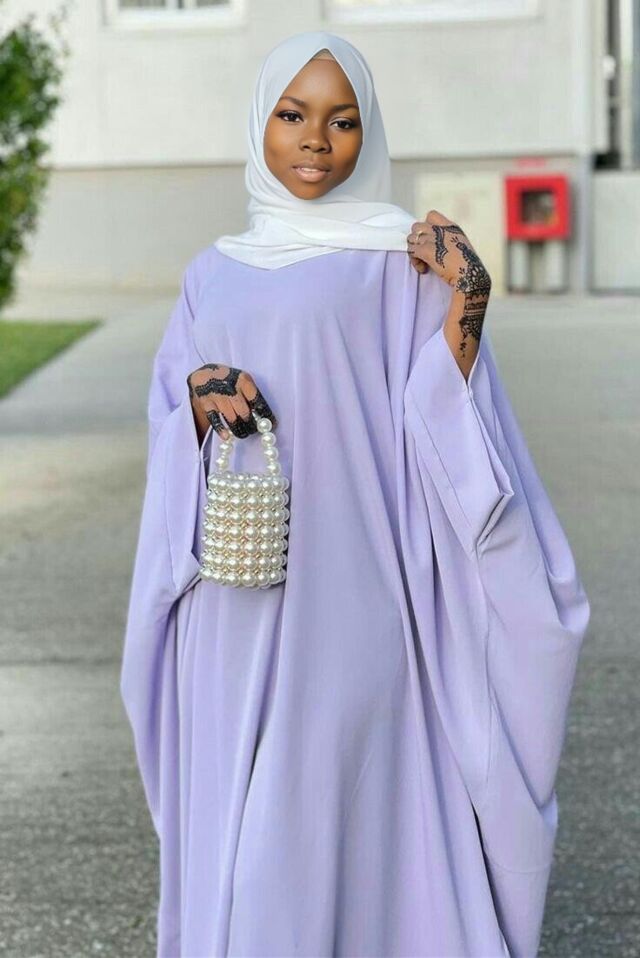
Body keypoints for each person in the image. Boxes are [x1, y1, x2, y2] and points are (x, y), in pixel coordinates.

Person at [120, 30, 591, 958]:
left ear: (367, 133)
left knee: (323, 801)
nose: (315, 139)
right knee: (253, 824)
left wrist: (467, 300)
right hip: (237, 600)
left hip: (355, 591)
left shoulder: (396, 261)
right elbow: (169, 422)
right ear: (260, 122)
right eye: (292, 115)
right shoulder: (211, 272)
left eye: (342, 121)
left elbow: (444, 424)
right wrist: (198, 403)